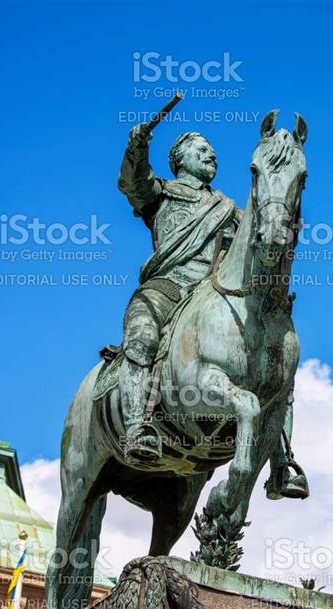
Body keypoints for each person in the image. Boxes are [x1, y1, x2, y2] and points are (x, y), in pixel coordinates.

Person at [117, 122, 242, 462]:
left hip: (216, 294)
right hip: (168, 286)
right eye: (201, 150)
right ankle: (136, 428)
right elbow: (132, 181)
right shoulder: (161, 193)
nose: (211, 154)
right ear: (179, 160)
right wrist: (137, 146)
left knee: (272, 352)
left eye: (212, 151)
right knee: (141, 336)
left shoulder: (231, 210)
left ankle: (281, 455)